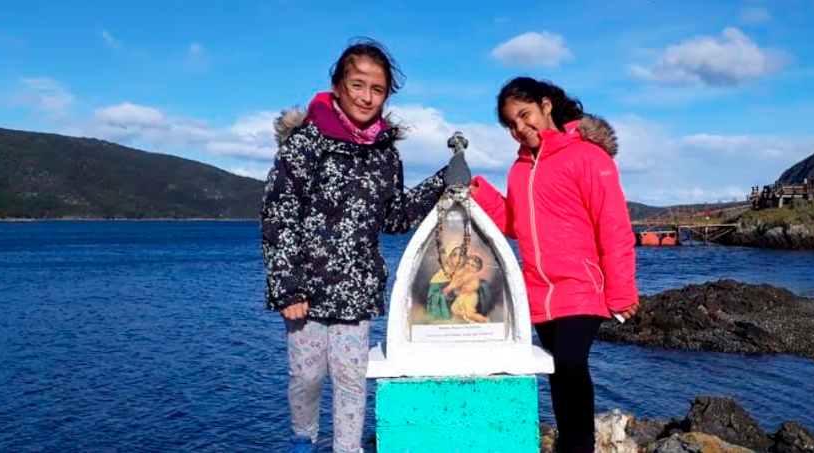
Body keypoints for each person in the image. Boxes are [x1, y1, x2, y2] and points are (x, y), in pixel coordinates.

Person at [260, 38, 446, 453]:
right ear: (338, 86)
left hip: (356, 287)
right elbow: (279, 214)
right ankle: (303, 440)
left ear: (386, 95)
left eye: (376, 89)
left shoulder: (385, 154)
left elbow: (394, 217)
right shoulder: (305, 144)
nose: (366, 96)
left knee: (350, 379)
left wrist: (441, 181)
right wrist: (287, 286)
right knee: (306, 376)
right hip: (305, 290)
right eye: (357, 85)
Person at [470, 76, 639, 453]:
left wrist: (622, 290)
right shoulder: (520, 169)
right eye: (511, 124)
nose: (520, 128)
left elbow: (613, 225)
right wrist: (480, 193)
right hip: (538, 293)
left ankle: (580, 445)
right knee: (558, 374)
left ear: (546, 106)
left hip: (581, 286)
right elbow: (515, 223)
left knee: (570, 363)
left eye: (525, 115)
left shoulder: (587, 156)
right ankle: (570, 442)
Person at [445, 255, 490, 323]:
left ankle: (485, 319)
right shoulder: (466, 273)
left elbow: (461, 281)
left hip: (470, 297)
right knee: (454, 309)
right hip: (463, 296)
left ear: (476, 270)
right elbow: (459, 279)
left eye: (472, 266)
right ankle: (465, 316)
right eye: (468, 263)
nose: (469, 267)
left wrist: (449, 288)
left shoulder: (472, 275)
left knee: (470, 314)